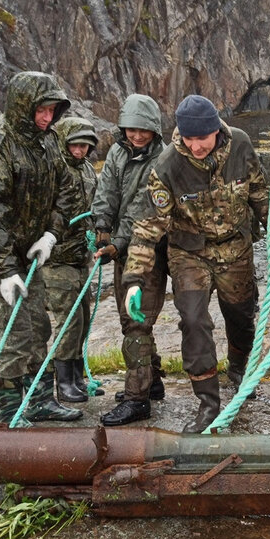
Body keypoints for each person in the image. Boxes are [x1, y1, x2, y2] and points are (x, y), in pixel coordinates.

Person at [121, 95, 269, 433]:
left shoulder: (241, 145)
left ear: (216, 130)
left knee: (242, 315)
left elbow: (259, 190)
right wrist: (134, 280)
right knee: (192, 320)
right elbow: (147, 228)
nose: (195, 145)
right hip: (189, 254)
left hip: (235, 249)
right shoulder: (168, 166)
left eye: (201, 137)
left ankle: (239, 368)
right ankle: (208, 403)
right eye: (189, 138)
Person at [0, 70, 83, 424]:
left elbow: (67, 190)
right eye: (41, 111)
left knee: (39, 329)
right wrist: (5, 271)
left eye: (53, 111)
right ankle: (11, 412)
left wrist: (51, 234)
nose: (47, 119)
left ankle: (42, 400)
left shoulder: (46, 141)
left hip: (31, 251)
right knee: (15, 337)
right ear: (22, 107)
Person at [92, 95, 171, 425]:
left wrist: (117, 244)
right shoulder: (116, 152)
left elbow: (145, 211)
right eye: (131, 130)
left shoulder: (164, 160)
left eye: (143, 131)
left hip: (150, 251)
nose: (137, 136)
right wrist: (101, 228)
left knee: (137, 322)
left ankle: (138, 399)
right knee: (130, 318)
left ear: (154, 128)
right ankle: (152, 383)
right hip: (123, 248)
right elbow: (106, 190)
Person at [45, 116, 101, 404]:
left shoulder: (89, 170)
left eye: (85, 146)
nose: (79, 151)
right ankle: (63, 381)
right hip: (57, 260)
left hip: (81, 257)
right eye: (75, 145)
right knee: (68, 320)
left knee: (83, 317)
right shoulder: (53, 169)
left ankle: (77, 377)